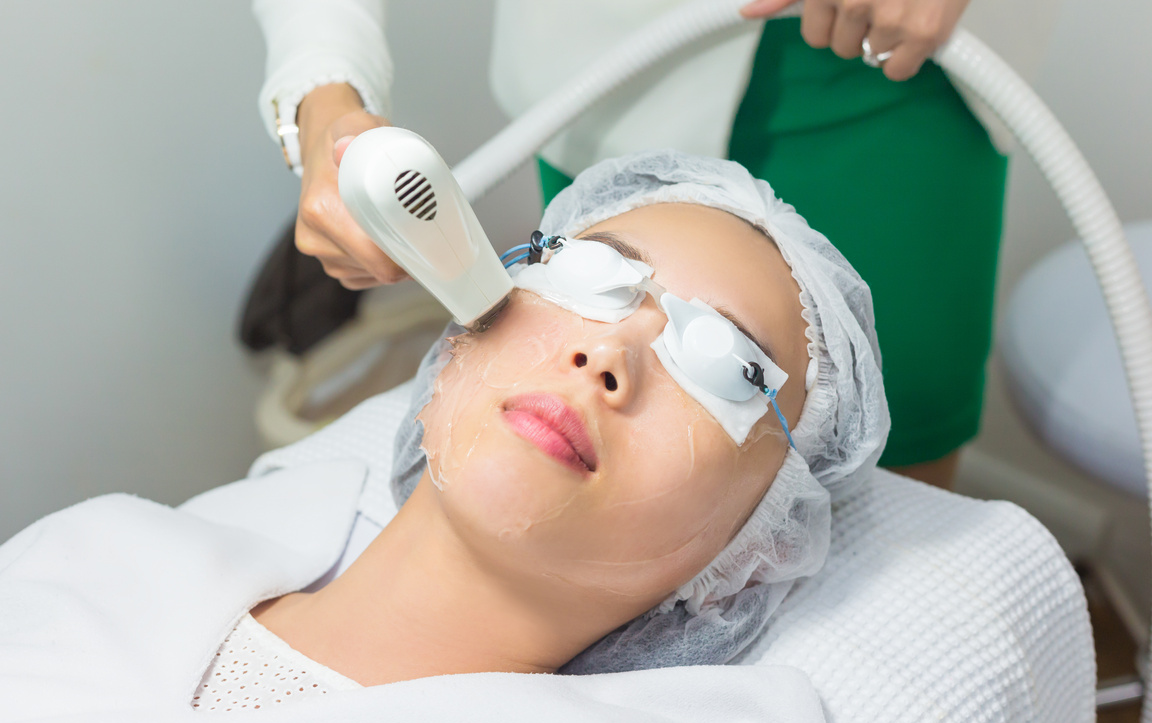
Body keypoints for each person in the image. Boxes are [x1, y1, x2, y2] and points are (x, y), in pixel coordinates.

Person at [2, 153, 886, 723]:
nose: (609, 357)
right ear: (464, 330)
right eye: (593, 275)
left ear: (745, 556)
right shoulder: (91, 556)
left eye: (729, 368)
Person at [253, 0, 1056, 490]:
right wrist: (323, 97)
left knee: (895, 491)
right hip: (615, 66)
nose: (601, 365)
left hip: (892, 70)